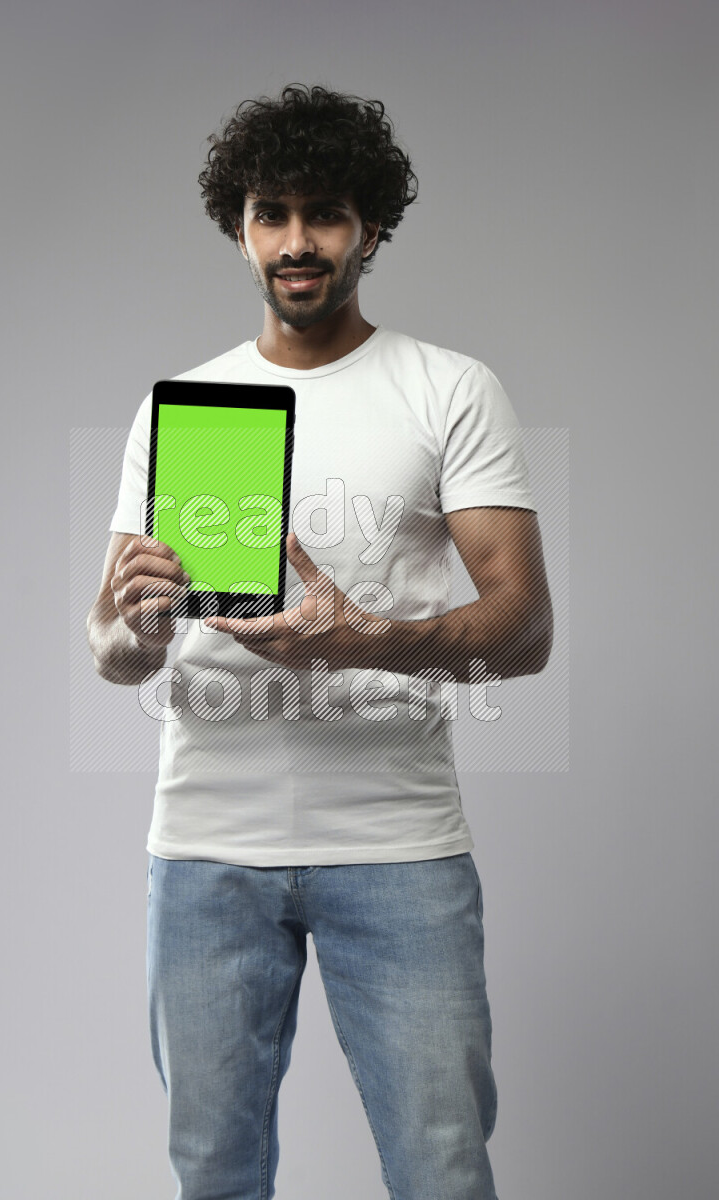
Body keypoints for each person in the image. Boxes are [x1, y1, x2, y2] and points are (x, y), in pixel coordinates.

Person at [87, 83, 553, 1200]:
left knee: (441, 1169)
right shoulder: (184, 406)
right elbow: (109, 649)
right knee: (214, 1174)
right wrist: (134, 629)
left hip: (396, 849)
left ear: (371, 226)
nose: (296, 242)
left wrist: (361, 640)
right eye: (269, 213)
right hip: (203, 849)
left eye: (325, 213)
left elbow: (522, 628)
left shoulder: (447, 388)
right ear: (238, 228)